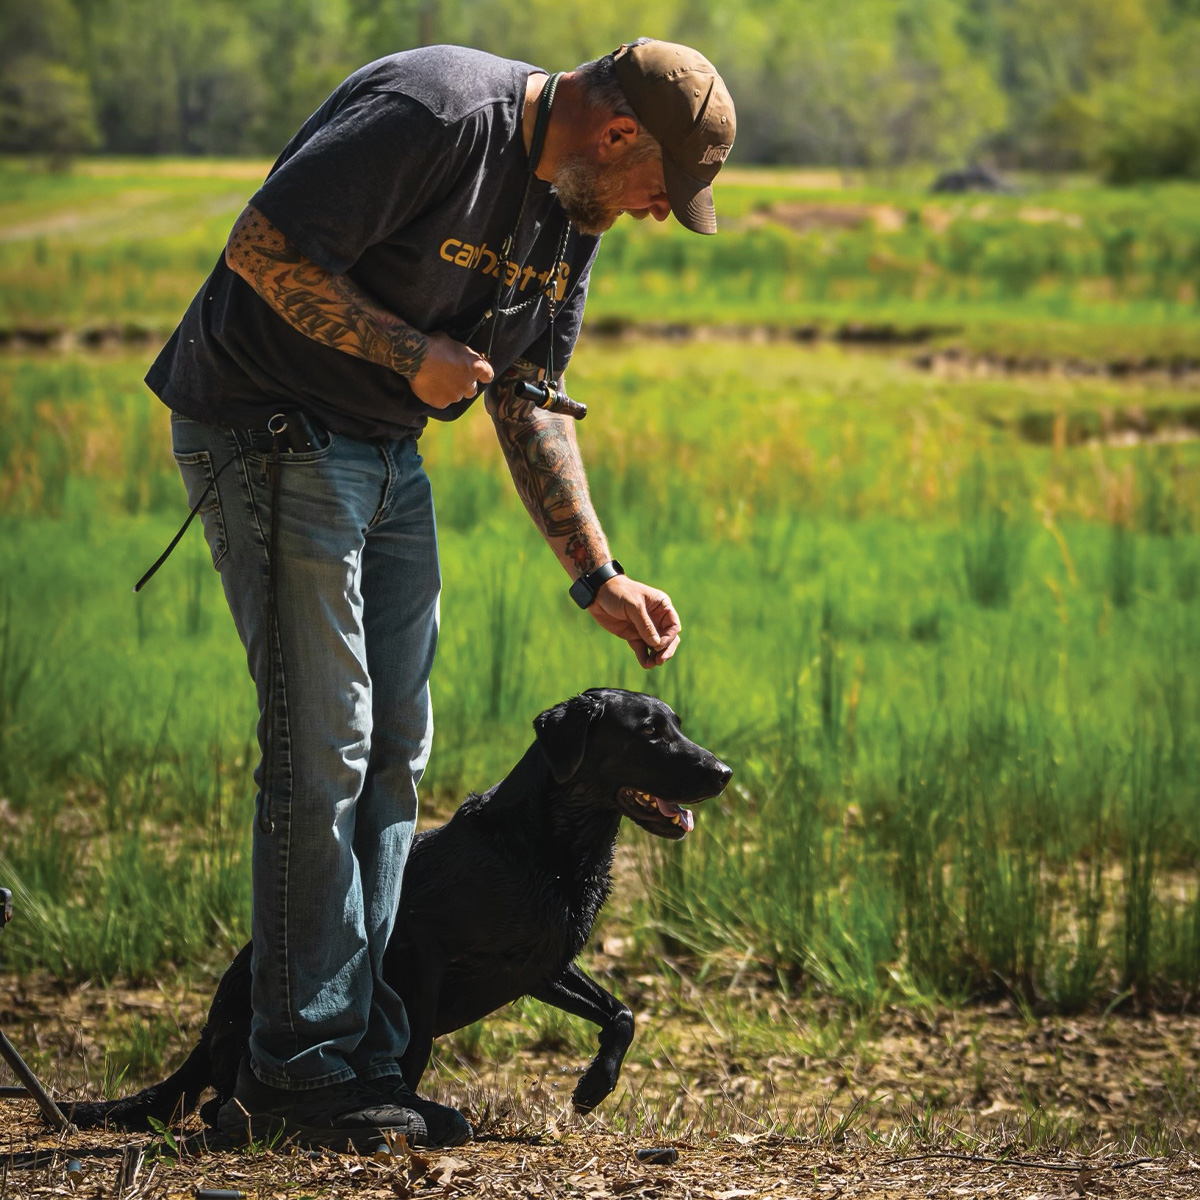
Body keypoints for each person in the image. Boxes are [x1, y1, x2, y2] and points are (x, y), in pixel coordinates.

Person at [149, 38, 735, 1152]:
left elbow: (530, 394)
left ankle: (366, 1051)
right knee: (325, 745)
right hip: (270, 427)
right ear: (619, 134)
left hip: (383, 449)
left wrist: (597, 573)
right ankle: (296, 1069)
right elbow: (262, 247)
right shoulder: (437, 113)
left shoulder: (575, 211)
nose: (659, 213)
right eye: (662, 189)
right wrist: (406, 347)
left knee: (394, 751)